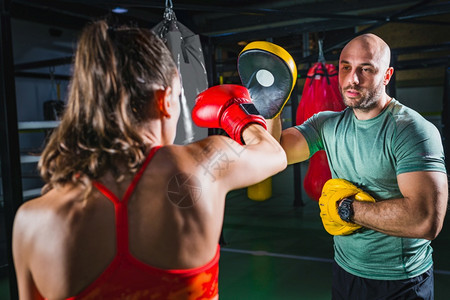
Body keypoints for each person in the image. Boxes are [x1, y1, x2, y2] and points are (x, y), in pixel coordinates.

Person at [12, 19, 287, 299]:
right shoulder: (205, 166)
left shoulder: (31, 222)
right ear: (165, 100)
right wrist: (240, 115)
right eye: (179, 97)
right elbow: (275, 154)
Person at [277, 33, 448, 299]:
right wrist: (270, 106)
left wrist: (347, 210)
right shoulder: (327, 124)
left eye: (365, 69)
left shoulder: (411, 131)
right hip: (345, 272)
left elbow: (425, 220)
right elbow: (277, 152)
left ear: (387, 75)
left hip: (401, 282)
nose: (352, 79)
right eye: (346, 67)